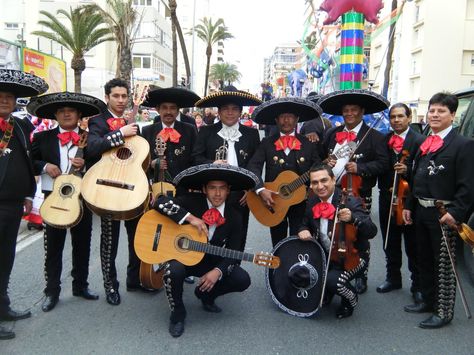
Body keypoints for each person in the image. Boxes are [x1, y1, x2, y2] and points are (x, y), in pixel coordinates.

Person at [152, 164, 258, 337]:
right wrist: (190, 218)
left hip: (209, 260)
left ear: (228, 190)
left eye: (222, 188)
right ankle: (177, 314)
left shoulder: (235, 215)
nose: (217, 194)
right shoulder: (191, 201)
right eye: (212, 188)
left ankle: (206, 295)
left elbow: (234, 250)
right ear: (204, 189)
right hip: (184, 257)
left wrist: (217, 271)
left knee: (242, 279)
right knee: (173, 270)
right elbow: (160, 202)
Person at [28, 92, 106, 312]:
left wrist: (87, 165)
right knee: (53, 248)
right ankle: (51, 292)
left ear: (79, 114)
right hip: (53, 199)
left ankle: (81, 286)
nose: (66, 114)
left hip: (81, 200)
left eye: (70, 111)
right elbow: (29, 162)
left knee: (82, 245)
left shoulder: (90, 138)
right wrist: (44, 166)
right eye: (62, 111)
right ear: (55, 115)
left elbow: (102, 166)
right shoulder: (43, 138)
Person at [403, 92, 474, 329]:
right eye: (432, 110)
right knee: (423, 258)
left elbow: (468, 185)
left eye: (441, 111)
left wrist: (456, 212)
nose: (434, 114)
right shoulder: (425, 142)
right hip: (421, 209)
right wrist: (409, 207)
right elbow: (417, 178)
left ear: (452, 115)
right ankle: (427, 299)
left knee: (443, 264)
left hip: (444, 213)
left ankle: (443, 312)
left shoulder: (463, 145)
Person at [319, 89, 390, 294]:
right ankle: (336, 270)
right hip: (331, 192)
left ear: (362, 112)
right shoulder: (332, 133)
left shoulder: (375, 136)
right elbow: (321, 158)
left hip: (358, 193)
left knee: (359, 236)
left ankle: (361, 275)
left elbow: (383, 164)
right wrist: (326, 162)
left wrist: (361, 168)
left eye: (354, 110)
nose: (350, 113)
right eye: (346, 110)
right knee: (334, 232)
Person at [86, 78, 149, 305]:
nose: (121, 101)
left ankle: (134, 279)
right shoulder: (98, 122)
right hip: (107, 188)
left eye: (124, 96)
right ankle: (110, 285)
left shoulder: (134, 123)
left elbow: (138, 154)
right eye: (116, 96)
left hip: (133, 188)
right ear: (107, 97)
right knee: (109, 241)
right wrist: (119, 133)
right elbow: (91, 148)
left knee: (136, 238)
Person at [0, 69, 48, 340]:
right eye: (0, 96)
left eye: (9, 97)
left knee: (5, 261)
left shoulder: (21, 126)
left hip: (15, 203)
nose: (5, 100)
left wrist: (30, 194)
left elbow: (29, 162)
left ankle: (3, 308)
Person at [298, 165, 377, 318]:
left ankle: (350, 300)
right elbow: (305, 222)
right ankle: (327, 290)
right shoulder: (312, 200)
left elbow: (372, 231)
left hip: (353, 256)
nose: (320, 186)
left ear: (334, 180)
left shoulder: (350, 202)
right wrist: (303, 229)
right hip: (327, 254)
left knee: (334, 282)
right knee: (304, 274)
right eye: (315, 183)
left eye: (324, 180)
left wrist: (353, 219)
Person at [192, 86, 262, 250]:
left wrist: (251, 190)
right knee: (209, 235)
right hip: (212, 194)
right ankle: (209, 270)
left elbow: (255, 165)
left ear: (240, 112)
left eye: (234, 109)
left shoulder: (251, 134)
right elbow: (195, 158)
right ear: (219, 111)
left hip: (241, 196)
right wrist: (211, 164)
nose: (230, 113)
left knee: (238, 237)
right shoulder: (206, 131)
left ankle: (232, 270)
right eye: (225, 109)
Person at [247, 97, 322, 247]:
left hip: (301, 202)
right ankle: (278, 268)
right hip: (273, 201)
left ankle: (296, 269)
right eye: (282, 117)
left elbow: (319, 168)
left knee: (298, 239)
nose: (286, 120)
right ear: (276, 120)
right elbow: (253, 166)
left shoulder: (308, 144)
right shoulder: (267, 143)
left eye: (290, 117)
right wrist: (261, 189)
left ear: (297, 119)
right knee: (278, 241)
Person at [376, 103, 424, 298]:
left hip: (409, 200)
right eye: (393, 116)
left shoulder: (419, 141)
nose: (396, 120)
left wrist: (408, 170)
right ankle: (393, 278)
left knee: (412, 243)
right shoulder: (384, 139)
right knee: (390, 240)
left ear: (409, 117)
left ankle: (417, 285)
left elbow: (424, 171)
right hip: (387, 197)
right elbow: (378, 163)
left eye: (400, 116)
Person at [141, 87, 199, 195]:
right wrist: (152, 164)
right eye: (164, 108)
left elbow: (196, 157)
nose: (168, 112)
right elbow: (140, 161)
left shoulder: (190, 130)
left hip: (184, 187)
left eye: (172, 108)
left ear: (178, 110)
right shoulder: (147, 131)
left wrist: (193, 183)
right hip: (157, 189)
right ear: (158, 110)